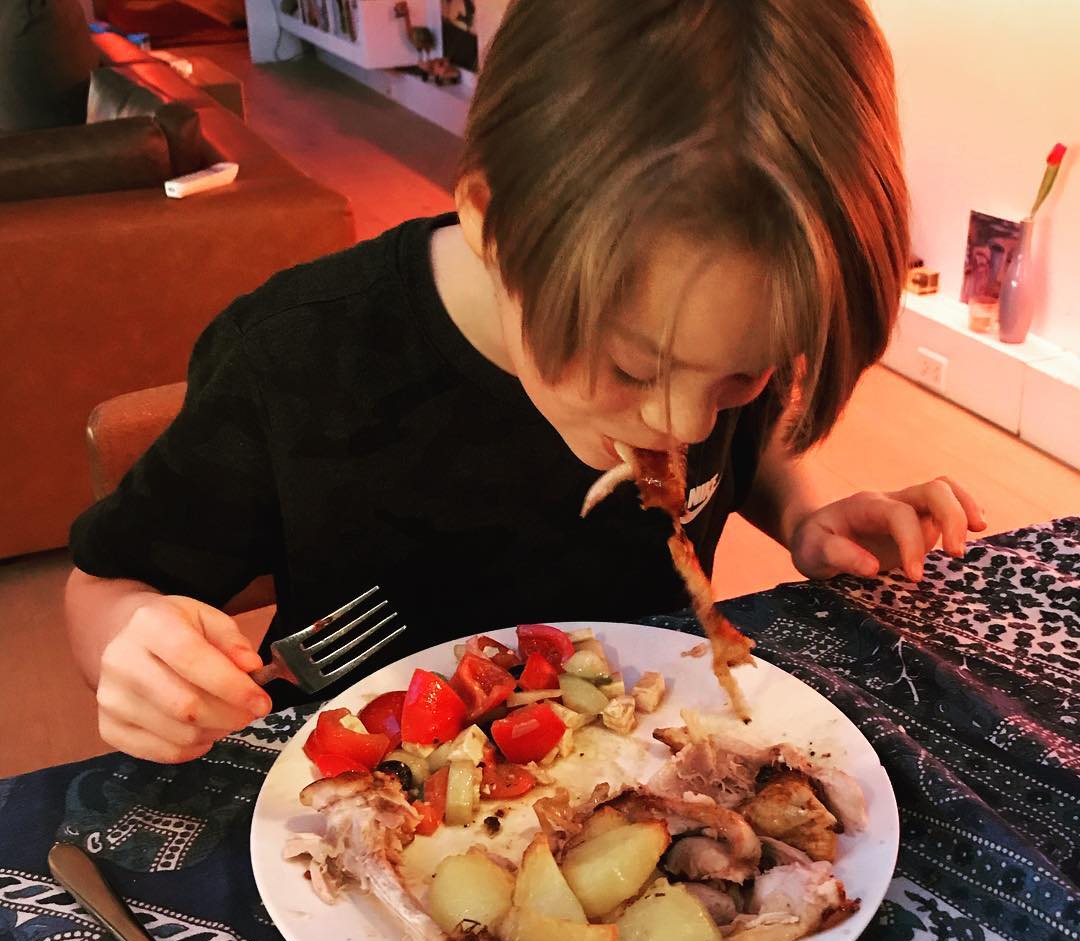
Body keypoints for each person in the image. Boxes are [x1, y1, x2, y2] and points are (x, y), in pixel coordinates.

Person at [65, 0, 984, 764]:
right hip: (359, 798)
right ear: (493, 223)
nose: (683, 425)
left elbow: (757, 432)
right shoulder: (297, 359)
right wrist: (134, 649)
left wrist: (802, 514)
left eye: (742, 372)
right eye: (633, 368)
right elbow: (104, 586)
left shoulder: (706, 339)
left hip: (636, 756)